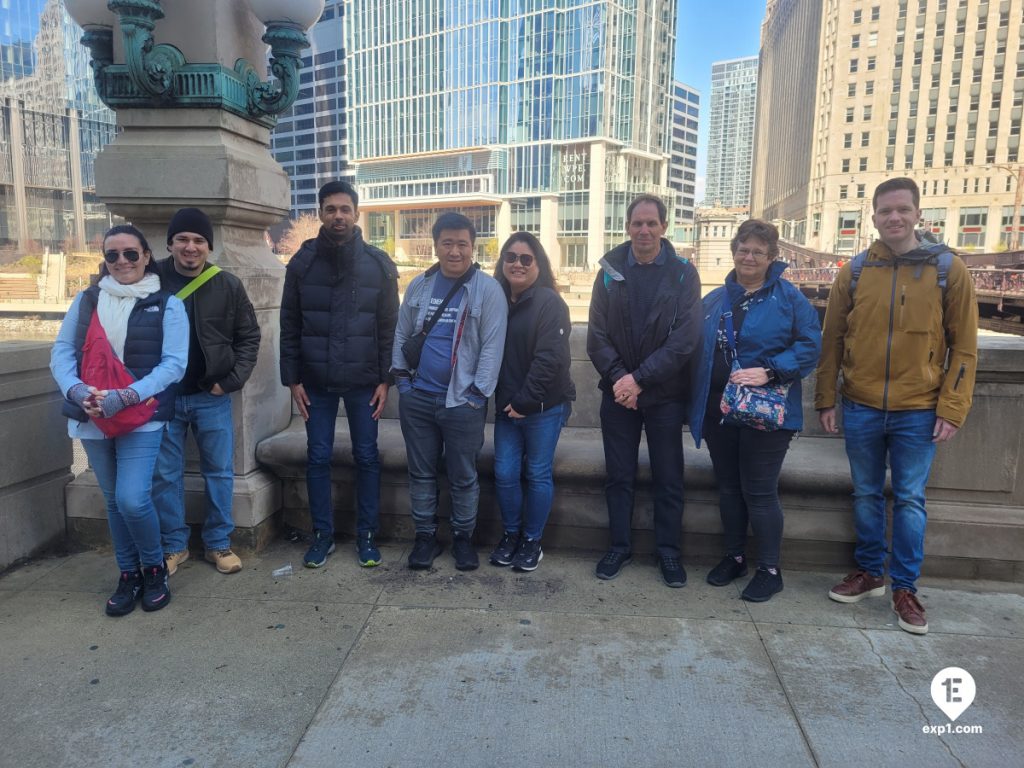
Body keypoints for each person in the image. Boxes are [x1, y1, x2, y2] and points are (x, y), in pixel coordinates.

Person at [816, 177, 978, 635]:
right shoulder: (855, 270)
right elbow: (831, 340)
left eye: (902, 210)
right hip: (862, 404)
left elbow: (964, 347)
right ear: (873, 216)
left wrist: (952, 406)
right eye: (885, 210)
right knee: (865, 494)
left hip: (919, 408)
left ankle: (905, 588)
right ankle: (870, 573)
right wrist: (827, 397)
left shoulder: (949, 269)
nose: (894, 218)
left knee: (909, 499)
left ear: (917, 214)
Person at [50, 225, 187, 616]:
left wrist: (126, 396)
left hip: (140, 415)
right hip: (92, 414)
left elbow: (174, 364)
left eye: (131, 253)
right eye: (113, 255)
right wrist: (78, 393)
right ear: (104, 260)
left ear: (146, 256)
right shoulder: (88, 300)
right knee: (113, 500)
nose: (122, 261)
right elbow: (62, 352)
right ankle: (128, 574)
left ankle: (154, 568)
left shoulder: (168, 304)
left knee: (132, 497)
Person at [689, 220, 821, 602]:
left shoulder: (789, 298)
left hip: (767, 412)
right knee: (729, 488)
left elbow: (811, 345)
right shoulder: (714, 300)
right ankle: (734, 556)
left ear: (772, 257)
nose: (748, 257)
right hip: (720, 411)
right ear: (734, 252)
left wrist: (771, 370)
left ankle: (769, 569)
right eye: (743, 249)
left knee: (760, 491)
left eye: (758, 252)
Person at [280, 180, 399, 569]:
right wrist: (292, 379)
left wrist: (386, 380)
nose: (338, 216)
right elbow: (289, 323)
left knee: (367, 456)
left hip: (365, 379)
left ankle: (366, 534)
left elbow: (388, 327)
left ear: (356, 213)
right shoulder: (302, 263)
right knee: (317, 456)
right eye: (330, 209)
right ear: (320, 213)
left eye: (344, 209)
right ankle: (322, 535)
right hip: (316, 379)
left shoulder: (377, 264)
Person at [587, 195, 702, 587]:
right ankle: (619, 546)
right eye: (637, 223)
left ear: (663, 227)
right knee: (618, 476)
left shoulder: (684, 273)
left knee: (668, 477)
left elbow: (686, 339)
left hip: (664, 394)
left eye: (652, 223)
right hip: (618, 394)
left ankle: (668, 553)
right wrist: (622, 379)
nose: (644, 230)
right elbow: (597, 335)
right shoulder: (608, 270)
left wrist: (641, 379)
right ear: (628, 227)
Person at [392, 212, 507, 571]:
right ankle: (425, 537)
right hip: (419, 397)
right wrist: (403, 384)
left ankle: (463, 539)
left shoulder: (488, 290)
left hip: (463, 403)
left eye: (462, 244)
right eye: (447, 243)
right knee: (421, 473)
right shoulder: (419, 286)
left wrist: (477, 395)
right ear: (436, 245)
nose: (454, 251)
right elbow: (401, 334)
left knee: (463, 475)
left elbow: (492, 347)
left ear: (472, 247)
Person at [152, 208, 261, 576]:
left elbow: (249, 337)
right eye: (182, 239)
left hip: (210, 394)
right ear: (169, 244)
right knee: (165, 474)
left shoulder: (227, 284)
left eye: (199, 240)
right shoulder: (150, 280)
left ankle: (218, 543)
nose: (190, 247)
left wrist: (229, 382)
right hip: (163, 396)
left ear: (209, 247)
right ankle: (173, 546)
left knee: (219, 472)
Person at [489, 232, 575, 572]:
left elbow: (549, 359)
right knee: (505, 473)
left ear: (539, 264)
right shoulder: (496, 300)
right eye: (511, 257)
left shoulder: (549, 303)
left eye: (526, 258)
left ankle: (531, 541)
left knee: (537, 473)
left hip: (543, 407)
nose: (517, 264)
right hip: (508, 407)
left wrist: (524, 402)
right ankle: (511, 535)